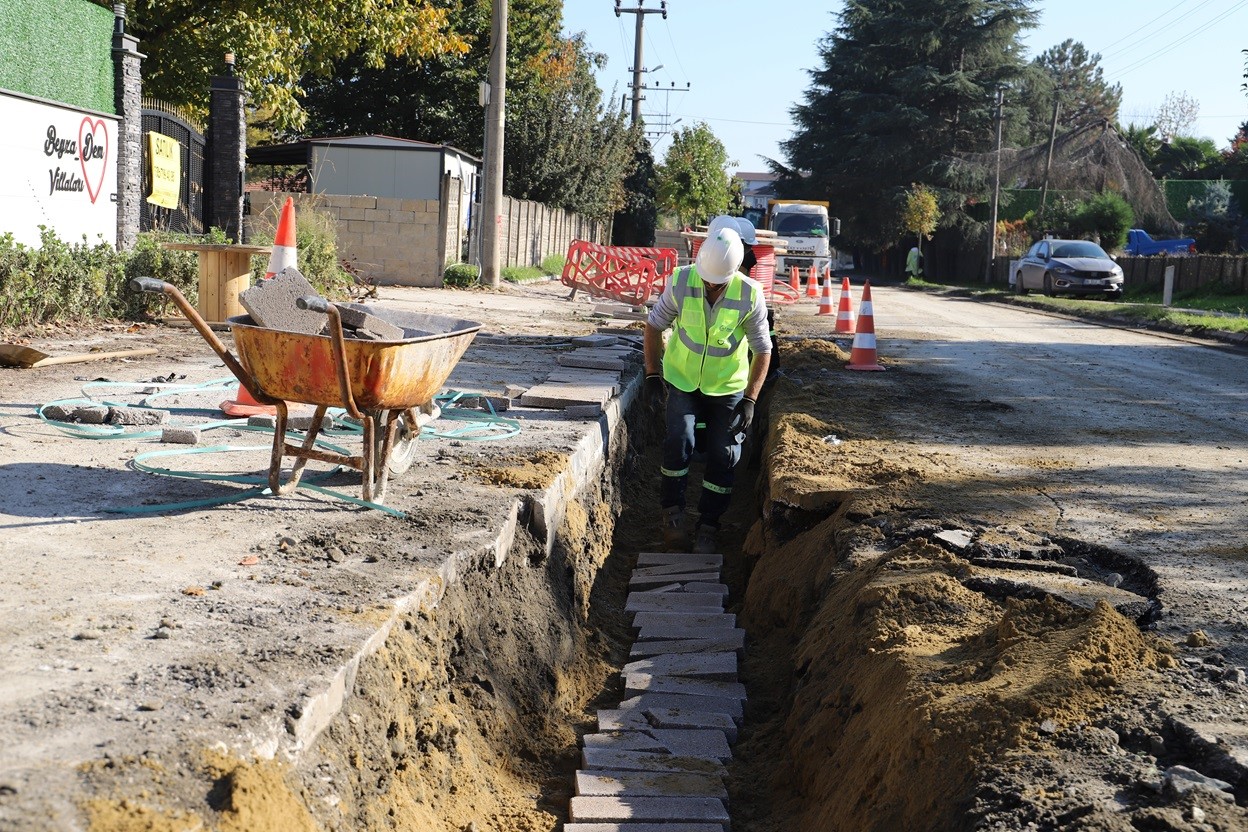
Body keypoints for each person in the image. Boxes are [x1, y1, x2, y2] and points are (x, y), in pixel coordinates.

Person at [643, 221, 772, 554]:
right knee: (678, 441)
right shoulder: (682, 280)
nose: (710, 287)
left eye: (717, 284)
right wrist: (652, 374)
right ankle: (672, 516)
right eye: (706, 281)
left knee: (724, 454)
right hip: (683, 380)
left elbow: (763, 349)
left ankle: (709, 526)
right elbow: (654, 325)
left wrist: (751, 399)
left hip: (727, 386)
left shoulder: (750, 294)